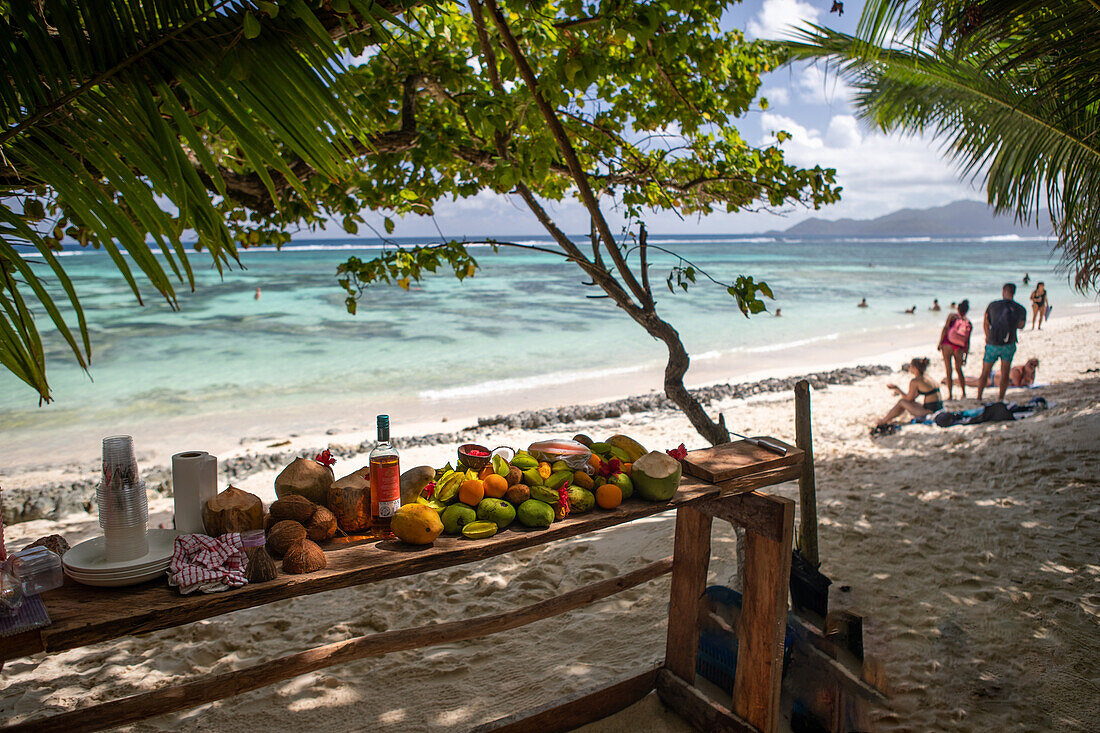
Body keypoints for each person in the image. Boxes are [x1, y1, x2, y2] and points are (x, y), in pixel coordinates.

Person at [977, 283, 1028, 402]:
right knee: (1005, 372)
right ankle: (1000, 397)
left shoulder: (993, 305)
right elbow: (1021, 326)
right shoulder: (1020, 308)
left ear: (1004, 291)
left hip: (992, 343)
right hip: (1008, 344)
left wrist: (987, 337)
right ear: (1014, 292)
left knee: (985, 371)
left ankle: (979, 396)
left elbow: (985, 322)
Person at [874, 358, 943, 427]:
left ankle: (883, 421)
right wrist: (899, 392)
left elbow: (908, 399)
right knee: (905, 402)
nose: (909, 368)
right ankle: (886, 419)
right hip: (938, 407)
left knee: (901, 402)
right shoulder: (927, 378)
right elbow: (912, 398)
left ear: (915, 368)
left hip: (930, 411)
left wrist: (897, 389)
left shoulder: (915, 381)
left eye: (910, 366)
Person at [938, 299, 972, 399]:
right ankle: (964, 393)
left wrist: (940, 343)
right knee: (959, 369)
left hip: (948, 344)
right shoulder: (968, 322)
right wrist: (966, 356)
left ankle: (950, 395)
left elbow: (945, 329)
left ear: (958, 308)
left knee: (949, 370)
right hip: (959, 348)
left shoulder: (952, 316)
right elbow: (967, 341)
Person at [964, 358, 1039, 388]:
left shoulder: (1029, 372)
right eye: (1031, 364)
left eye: (1034, 366)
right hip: (993, 379)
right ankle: (955, 380)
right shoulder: (1018, 371)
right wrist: (1028, 378)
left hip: (994, 378)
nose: (1032, 366)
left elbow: (1031, 382)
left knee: (973, 380)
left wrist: (1030, 374)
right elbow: (1018, 384)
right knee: (969, 382)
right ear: (1026, 363)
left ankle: (957, 380)